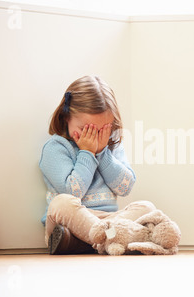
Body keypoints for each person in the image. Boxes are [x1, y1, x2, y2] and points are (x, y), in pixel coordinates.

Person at [39, 75, 155, 254]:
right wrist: (88, 153)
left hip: (109, 220)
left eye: (102, 130)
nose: (94, 137)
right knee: (60, 203)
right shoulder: (55, 148)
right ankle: (111, 239)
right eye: (87, 130)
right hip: (73, 222)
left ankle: (95, 241)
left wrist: (102, 153)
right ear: (66, 117)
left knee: (146, 207)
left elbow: (125, 187)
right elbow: (73, 192)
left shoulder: (110, 144)